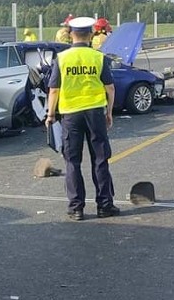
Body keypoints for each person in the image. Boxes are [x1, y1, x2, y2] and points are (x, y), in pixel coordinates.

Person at [45, 16, 120, 220]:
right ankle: (105, 205)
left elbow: (54, 90)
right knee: (100, 159)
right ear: (90, 34)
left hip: (70, 115)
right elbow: (110, 88)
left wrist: (50, 115)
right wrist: (109, 112)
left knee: (73, 161)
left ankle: (76, 208)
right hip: (95, 113)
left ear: (71, 35)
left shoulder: (62, 59)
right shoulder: (98, 57)